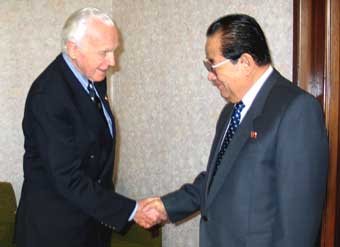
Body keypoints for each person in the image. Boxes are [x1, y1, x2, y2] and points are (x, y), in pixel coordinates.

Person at [143, 14, 329, 247]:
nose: (210, 76)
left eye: (213, 65)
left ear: (245, 62)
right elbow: (218, 179)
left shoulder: (297, 110)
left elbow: (298, 225)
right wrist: (167, 206)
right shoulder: (230, 112)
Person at [14, 7, 155, 247]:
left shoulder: (91, 77)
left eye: (114, 51)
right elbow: (68, 177)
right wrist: (130, 210)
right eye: (104, 52)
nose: (112, 62)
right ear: (73, 49)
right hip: (54, 232)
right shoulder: (48, 95)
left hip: (91, 225)